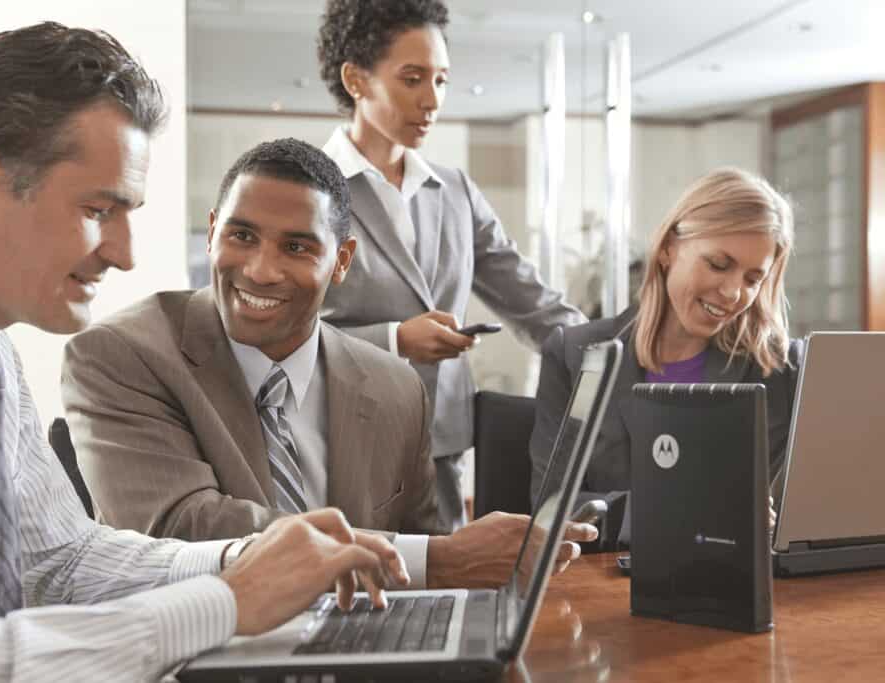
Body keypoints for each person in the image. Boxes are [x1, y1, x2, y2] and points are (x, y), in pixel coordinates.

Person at [0, 23, 408, 683]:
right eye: (98, 209)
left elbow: (61, 561)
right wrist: (230, 602)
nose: (124, 254)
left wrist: (246, 557)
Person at [63, 138, 597, 590]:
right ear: (211, 231)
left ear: (341, 260)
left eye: (296, 247)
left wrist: (458, 561)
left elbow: (422, 553)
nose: (261, 270)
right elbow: (180, 528)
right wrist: (439, 559)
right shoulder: (120, 355)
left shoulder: (397, 388)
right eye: (241, 235)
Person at [316, 0, 587, 531]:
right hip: (343, 442)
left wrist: (618, 353)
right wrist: (395, 339)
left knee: (447, 590)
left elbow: (529, 299)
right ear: (356, 79)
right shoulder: (309, 188)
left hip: (441, 446)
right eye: (413, 79)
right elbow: (275, 334)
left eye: (441, 80)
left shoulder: (455, 190)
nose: (432, 100)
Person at [529, 168, 803, 551]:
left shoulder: (782, 369)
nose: (732, 292)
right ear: (668, 248)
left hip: (739, 585)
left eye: (753, 279)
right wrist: (679, 511)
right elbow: (549, 510)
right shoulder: (573, 354)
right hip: (609, 586)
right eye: (719, 264)